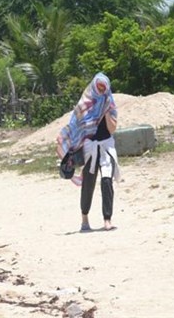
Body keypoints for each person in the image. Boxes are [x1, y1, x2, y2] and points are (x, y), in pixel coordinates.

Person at [57, 72, 120, 232]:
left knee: (107, 181)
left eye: (103, 87)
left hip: (106, 146)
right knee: (88, 184)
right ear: (94, 85)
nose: (101, 89)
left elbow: (112, 129)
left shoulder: (110, 104)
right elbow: (75, 126)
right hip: (89, 148)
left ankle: (107, 219)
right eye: (98, 86)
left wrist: (105, 111)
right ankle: (84, 219)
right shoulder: (85, 103)